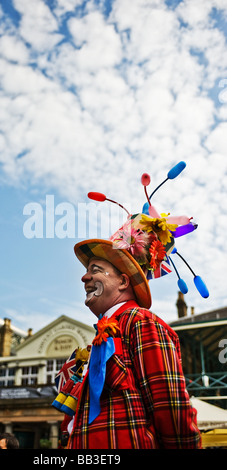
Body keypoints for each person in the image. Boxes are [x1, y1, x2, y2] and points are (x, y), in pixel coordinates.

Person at [53, 164, 205, 449]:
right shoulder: (103, 336)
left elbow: (171, 408)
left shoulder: (142, 322)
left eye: (96, 269)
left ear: (123, 282)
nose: (84, 276)